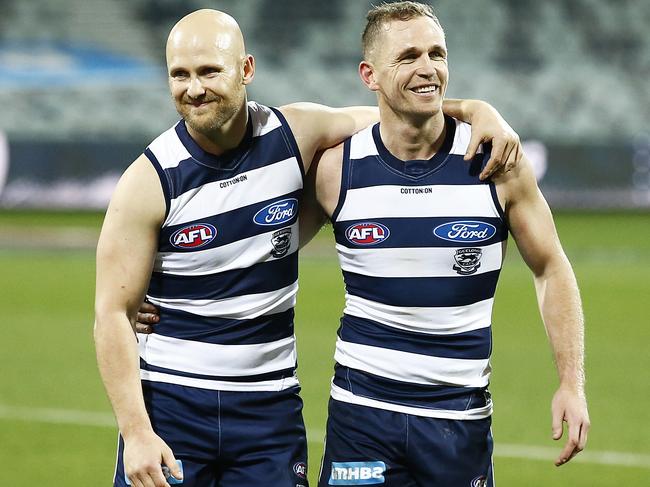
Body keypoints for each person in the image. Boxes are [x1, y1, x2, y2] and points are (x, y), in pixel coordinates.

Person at [94, 8, 523, 487]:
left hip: (269, 414)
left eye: (210, 71)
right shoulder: (148, 180)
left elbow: (399, 109)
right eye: (180, 75)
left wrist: (477, 110)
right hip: (172, 407)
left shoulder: (295, 135)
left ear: (246, 70)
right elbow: (112, 312)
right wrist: (135, 433)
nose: (194, 88)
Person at [295, 3, 589, 486]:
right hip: (361, 417)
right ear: (369, 74)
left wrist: (571, 385)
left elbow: (551, 268)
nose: (428, 68)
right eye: (408, 56)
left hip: (459, 421)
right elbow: (261, 250)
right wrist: (145, 291)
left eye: (437, 53)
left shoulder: (496, 163)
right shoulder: (335, 170)